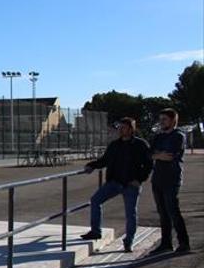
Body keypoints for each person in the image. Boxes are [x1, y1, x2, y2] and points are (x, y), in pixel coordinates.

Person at [81, 117, 152, 252]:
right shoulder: (115, 145)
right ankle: (96, 231)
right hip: (115, 182)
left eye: (123, 127)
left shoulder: (140, 145)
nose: (120, 130)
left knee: (130, 214)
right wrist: (91, 165)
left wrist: (140, 179)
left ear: (131, 129)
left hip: (131, 184)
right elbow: (104, 160)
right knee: (95, 200)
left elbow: (149, 164)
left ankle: (128, 241)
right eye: (119, 127)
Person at [149, 108, 189, 254]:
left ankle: (184, 243)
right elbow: (149, 154)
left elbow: (170, 156)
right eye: (160, 119)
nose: (161, 122)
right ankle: (166, 243)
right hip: (157, 178)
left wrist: (157, 155)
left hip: (172, 179)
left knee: (173, 211)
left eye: (164, 119)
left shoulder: (178, 136)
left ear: (173, 120)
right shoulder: (158, 137)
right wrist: (159, 155)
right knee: (162, 213)